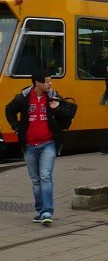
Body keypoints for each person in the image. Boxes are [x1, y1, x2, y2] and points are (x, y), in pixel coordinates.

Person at [4, 69, 70, 225]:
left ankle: (48, 211)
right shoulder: (23, 98)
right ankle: (40, 210)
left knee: (45, 176)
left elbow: (68, 112)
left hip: (48, 144)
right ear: (37, 83)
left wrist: (57, 108)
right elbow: (9, 110)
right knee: (35, 180)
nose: (50, 83)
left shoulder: (53, 96)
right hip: (29, 146)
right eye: (47, 81)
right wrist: (16, 126)